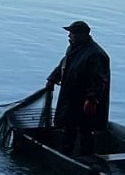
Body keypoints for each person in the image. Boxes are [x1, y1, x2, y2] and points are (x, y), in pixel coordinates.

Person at [45, 20, 109, 160]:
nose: (69, 36)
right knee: (68, 127)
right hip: (71, 98)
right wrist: (52, 78)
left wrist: (91, 99)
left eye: (72, 33)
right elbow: (64, 64)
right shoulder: (74, 48)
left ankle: (85, 159)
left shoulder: (95, 54)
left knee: (86, 130)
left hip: (85, 101)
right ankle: (66, 156)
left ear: (83, 35)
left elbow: (99, 79)